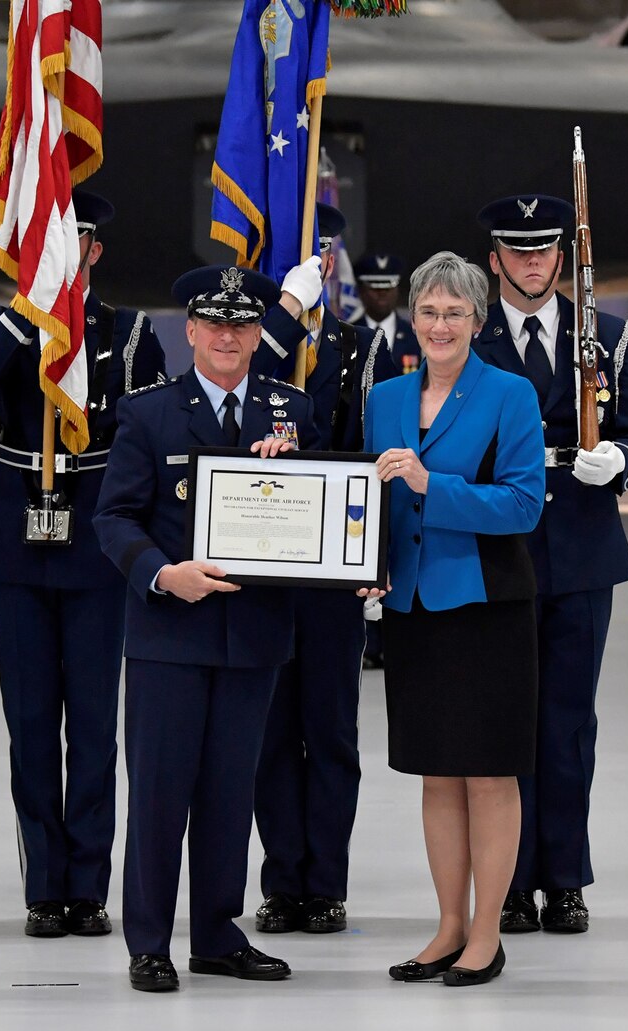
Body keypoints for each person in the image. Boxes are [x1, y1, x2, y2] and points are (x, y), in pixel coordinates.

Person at [93, 257, 324, 993]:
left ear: (259, 334)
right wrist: (164, 573)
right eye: (215, 324)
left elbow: (320, 513)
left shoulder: (292, 413)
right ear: (191, 330)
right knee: (160, 791)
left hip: (253, 632)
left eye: (243, 325)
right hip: (170, 632)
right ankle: (151, 942)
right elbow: (113, 516)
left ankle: (219, 934)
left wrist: (299, 474)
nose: (228, 337)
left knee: (231, 790)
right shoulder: (148, 412)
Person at [0, 189, 167, 938]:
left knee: (93, 726)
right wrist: (29, 306)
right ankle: (45, 887)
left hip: (97, 541)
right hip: (20, 538)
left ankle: (89, 886)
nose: (59, 254)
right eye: (44, 241)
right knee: (31, 720)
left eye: (71, 241)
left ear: (95, 250)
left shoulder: (132, 335)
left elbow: (147, 433)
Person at [362, 250, 545, 987]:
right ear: (414, 315)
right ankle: (446, 925)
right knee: (436, 774)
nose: (440, 324)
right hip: (410, 608)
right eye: (429, 310)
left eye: (455, 312)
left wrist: (433, 484)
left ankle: (487, 933)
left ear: (479, 319)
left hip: (485, 606)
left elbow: (523, 504)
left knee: (489, 776)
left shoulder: (510, 395)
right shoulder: (386, 398)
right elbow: (365, 495)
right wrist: (360, 563)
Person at [472, 195, 628, 936]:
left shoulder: (607, 337)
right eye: (517, 251)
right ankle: (510, 880)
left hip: (580, 546)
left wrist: (618, 462)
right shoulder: (471, 341)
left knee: (569, 722)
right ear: (494, 261)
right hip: (499, 550)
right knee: (505, 721)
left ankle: (565, 878)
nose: (532, 263)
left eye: (544, 249)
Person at [251, 204, 398, 937]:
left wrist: (376, 556)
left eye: (321, 251)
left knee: (332, 731)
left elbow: (375, 451)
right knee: (272, 733)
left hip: (334, 566)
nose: (318, 264)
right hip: (266, 564)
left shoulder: (355, 346)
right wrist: (282, 317)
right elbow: (239, 411)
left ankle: (327, 883)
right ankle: (283, 882)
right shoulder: (252, 341)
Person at [353, 249, 418, 668]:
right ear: (359, 289)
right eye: (373, 287)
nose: (381, 295)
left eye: (388, 287)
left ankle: (392, 641)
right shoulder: (349, 336)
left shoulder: (417, 338)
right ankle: (367, 643)